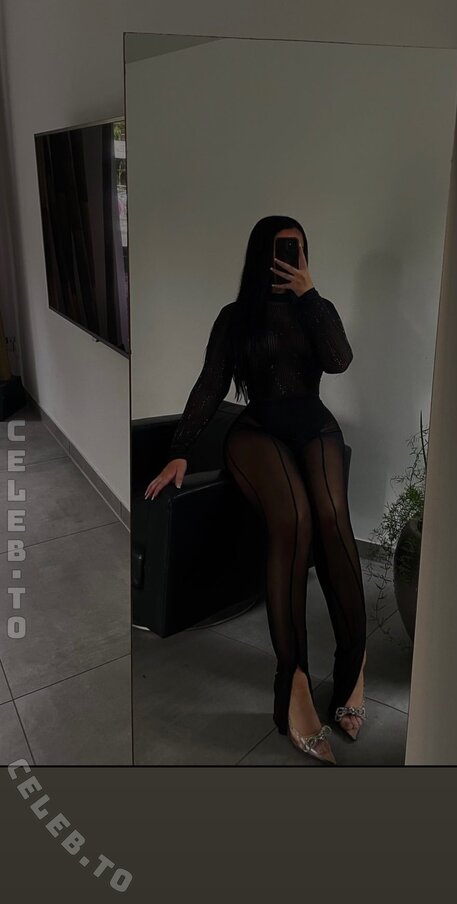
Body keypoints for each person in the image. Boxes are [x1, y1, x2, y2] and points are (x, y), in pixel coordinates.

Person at [144, 215, 367, 766]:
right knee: (293, 519)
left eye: (298, 249)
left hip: (312, 424)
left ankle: (353, 666)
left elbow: (339, 360)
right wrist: (180, 448)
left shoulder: (317, 308)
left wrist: (309, 295)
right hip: (258, 429)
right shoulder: (235, 317)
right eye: (280, 249)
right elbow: (211, 383)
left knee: (333, 518)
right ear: (260, 255)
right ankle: (293, 686)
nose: (289, 258)